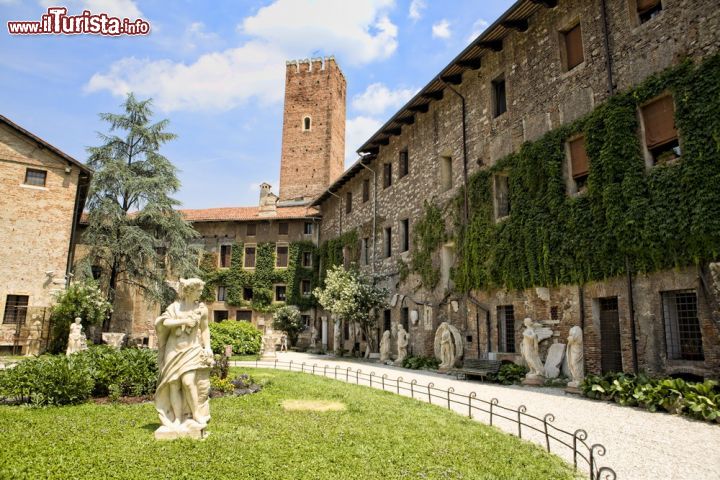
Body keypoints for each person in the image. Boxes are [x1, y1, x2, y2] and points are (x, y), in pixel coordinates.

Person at [154, 278, 213, 435]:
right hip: (173, 349)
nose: (201, 293)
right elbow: (164, 322)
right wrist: (184, 320)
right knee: (173, 384)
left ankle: (196, 414)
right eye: (198, 290)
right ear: (189, 291)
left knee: (188, 382)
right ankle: (178, 419)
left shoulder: (201, 309)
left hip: (192, 348)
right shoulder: (174, 307)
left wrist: (208, 347)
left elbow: (205, 329)